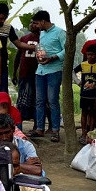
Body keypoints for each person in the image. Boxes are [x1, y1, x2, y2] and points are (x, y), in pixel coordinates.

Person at [32, 10, 65, 142]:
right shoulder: (42, 34)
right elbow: (41, 49)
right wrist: (39, 56)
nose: (36, 25)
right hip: (40, 70)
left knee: (52, 100)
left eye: (37, 23)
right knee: (39, 101)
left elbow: (66, 49)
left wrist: (53, 57)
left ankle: (55, 130)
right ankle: (40, 128)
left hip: (54, 70)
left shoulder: (60, 32)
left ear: (43, 21)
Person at [0, 2, 31, 93]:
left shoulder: (8, 28)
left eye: (5, 18)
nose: (2, 21)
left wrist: (33, 47)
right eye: (1, 18)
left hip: (2, 63)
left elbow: (18, 44)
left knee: (3, 92)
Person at [13, 20, 40, 125]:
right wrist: (15, 72)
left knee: (38, 100)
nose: (32, 25)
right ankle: (19, 126)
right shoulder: (24, 39)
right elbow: (18, 56)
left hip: (38, 74)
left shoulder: (43, 38)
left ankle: (37, 126)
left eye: (35, 23)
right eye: (31, 22)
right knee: (22, 101)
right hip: (24, 74)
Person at [79, 44, 96, 143]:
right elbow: (74, 71)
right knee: (84, 113)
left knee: (93, 114)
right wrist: (78, 82)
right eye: (89, 54)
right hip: (84, 94)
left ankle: (91, 133)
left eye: (93, 55)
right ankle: (83, 133)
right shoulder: (83, 65)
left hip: (95, 95)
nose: (91, 57)